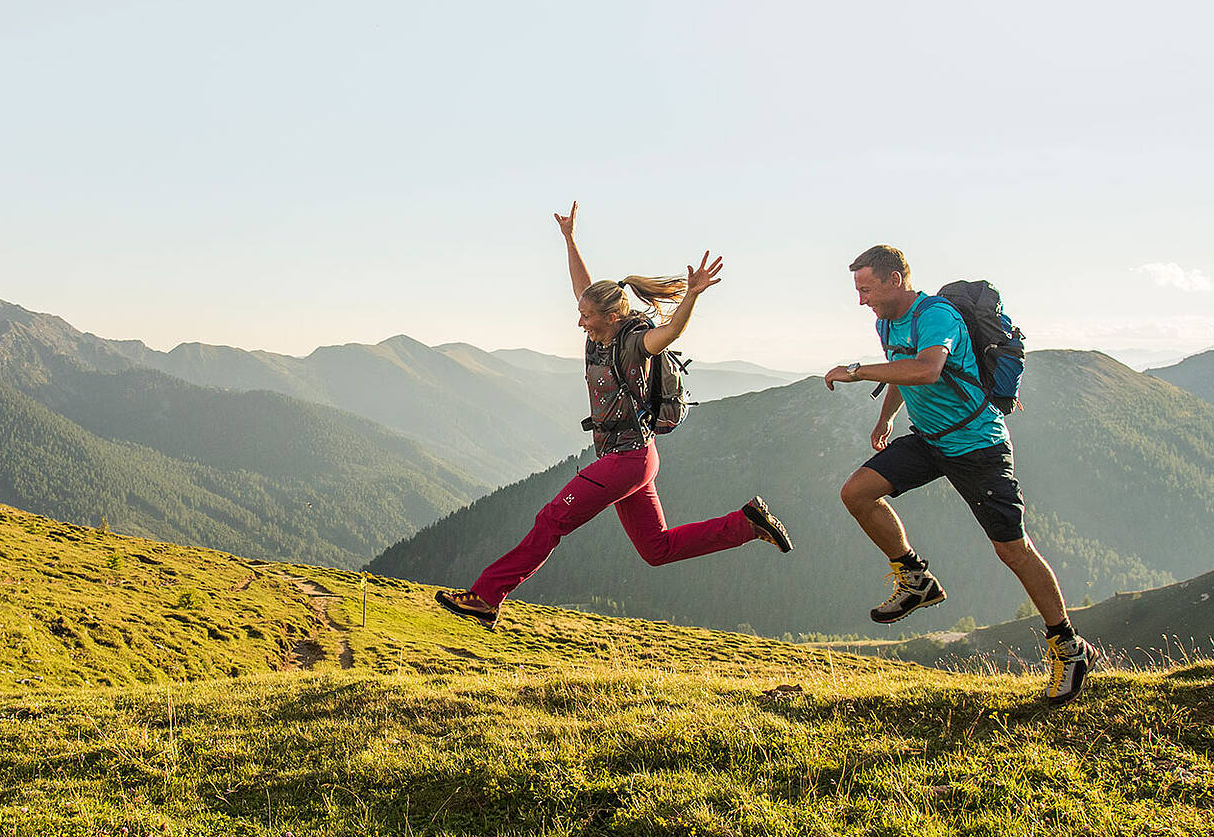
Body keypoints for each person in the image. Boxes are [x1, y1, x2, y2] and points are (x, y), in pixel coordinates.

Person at [435, 202, 792, 629]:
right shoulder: (598, 331)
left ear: (612, 316)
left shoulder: (634, 342)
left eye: (586, 316)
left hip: (629, 459)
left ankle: (486, 596)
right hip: (630, 457)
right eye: (581, 313)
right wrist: (570, 240)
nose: (579, 322)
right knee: (656, 549)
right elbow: (583, 287)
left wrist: (692, 296)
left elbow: (671, 333)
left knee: (551, 520)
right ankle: (747, 524)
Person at [823, 245, 1101, 706]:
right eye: (858, 291)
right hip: (931, 439)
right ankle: (915, 579)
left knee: (1013, 551)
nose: (862, 300)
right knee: (857, 493)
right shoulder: (886, 320)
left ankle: (1070, 647)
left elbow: (927, 368)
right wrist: (886, 418)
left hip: (977, 446)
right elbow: (901, 370)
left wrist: (855, 372)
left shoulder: (937, 316)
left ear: (895, 280)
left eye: (866, 289)